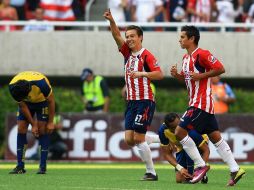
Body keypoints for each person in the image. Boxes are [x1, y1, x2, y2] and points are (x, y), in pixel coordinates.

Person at [170, 25, 245, 185]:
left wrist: (201, 75)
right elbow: (189, 79)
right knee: (216, 137)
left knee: (179, 131)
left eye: (183, 37)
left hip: (200, 103)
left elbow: (220, 69)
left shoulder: (202, 54)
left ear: (192, 39)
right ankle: (235, 169)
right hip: (198, 103)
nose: (180, 39)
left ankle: (200, 165)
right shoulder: (185, 59)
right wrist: (178, 76)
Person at [104, 9, 164, 181]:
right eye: (127, 36)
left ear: (140, 38)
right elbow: (116, 35)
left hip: (145, 101)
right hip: (131, 102)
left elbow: (159, 74)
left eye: (132, 36)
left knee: (138, 138)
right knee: (130, 140)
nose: (128, 39)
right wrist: (111, 21)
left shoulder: (146, 55)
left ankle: (151, 172)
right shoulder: (127, 53)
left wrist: (142, 74)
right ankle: (164, 138)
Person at [8, 71, 55, 174]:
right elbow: (23, 106)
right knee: (21, 128)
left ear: (29, 90)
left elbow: (51, 101)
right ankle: (20, 166)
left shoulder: (41, 83)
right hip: (26, 104)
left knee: (42, 130)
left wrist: (51, 122)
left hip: (42, 102)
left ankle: (42, 166)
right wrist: (33, 124)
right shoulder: (12, 87)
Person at [158, 112, 209, 183]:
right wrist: (180, 168)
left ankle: (202, 173)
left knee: (189, 178)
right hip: (181, 147)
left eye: (178, 125)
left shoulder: (189, 129)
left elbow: (206, 150)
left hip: (199, 143)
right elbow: (167, 154)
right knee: (179, 180)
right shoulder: (162, 131)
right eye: (173, 128)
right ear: (168, 127)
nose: (177, 129)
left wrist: (202, 168)